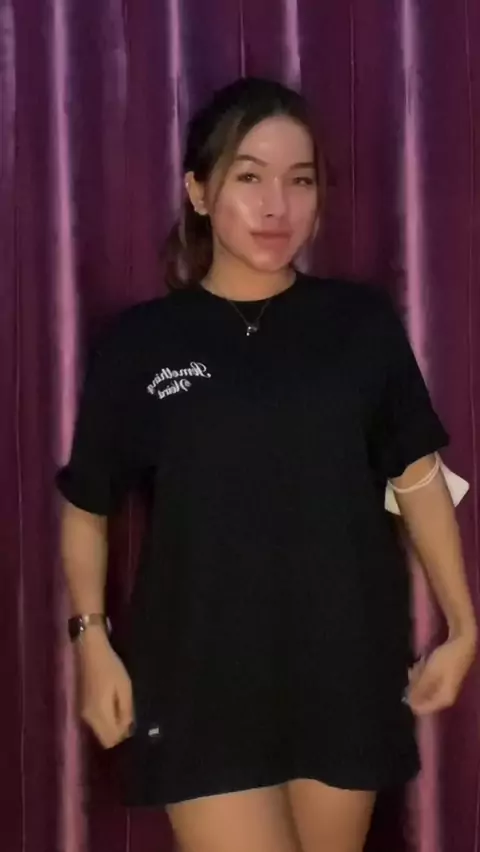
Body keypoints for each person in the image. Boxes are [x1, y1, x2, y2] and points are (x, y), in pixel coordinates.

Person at [57, 77, 477, 852]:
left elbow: (417, 476)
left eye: (300, 181)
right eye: (249, 177)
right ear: (199, 191)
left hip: (344, 668)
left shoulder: (360, 325)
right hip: (198, 678)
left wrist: (463, 624)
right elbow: (88, 505)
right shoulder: (140, 343)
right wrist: (92, 640)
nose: (276, 206)